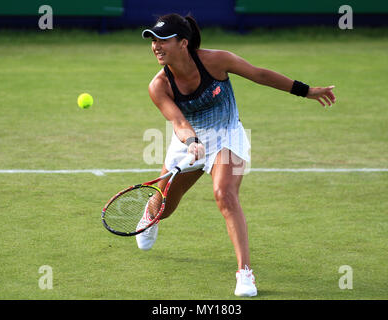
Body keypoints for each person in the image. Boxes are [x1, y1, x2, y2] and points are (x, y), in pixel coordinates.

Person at [136, 13, 336, 297]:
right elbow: (179, 123)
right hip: (188, 140)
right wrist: (192, 141)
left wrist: (307, 91)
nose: (156, 46)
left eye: (163, 40)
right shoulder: (159, 86)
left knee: (225, 194)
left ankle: (245, 274)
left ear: (183, 42)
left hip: (227, 135)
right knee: (165, 206)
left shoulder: (217, 61)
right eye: (153, 40)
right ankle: (151, 212)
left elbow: (260, 74)